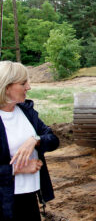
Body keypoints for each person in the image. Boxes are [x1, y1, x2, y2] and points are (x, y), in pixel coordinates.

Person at [0, 61, 59, 221]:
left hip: (30, 195)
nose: (28, 87)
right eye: (23, 83)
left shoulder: (26, 112)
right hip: (6, 200)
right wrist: (17, 169)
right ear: (6, 86)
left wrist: (36, 140)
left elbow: (53, 139)